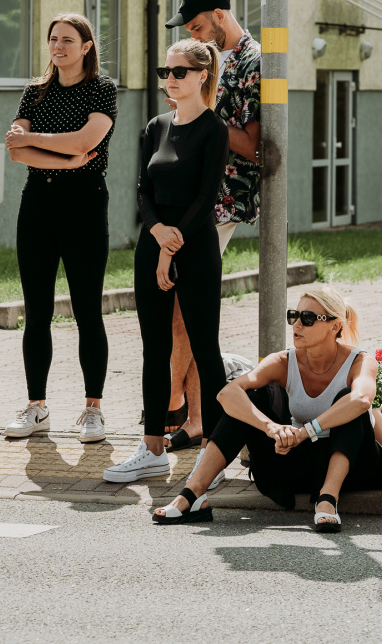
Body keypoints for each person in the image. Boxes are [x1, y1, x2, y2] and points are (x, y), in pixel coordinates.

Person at [153, 288, 382, 530]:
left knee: (349, 402)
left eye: (308, 318)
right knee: (247, 399)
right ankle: (193, 494)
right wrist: (271, 428)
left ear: (335, 326)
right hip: (300, 465)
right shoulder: (284, 360)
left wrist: (305, 432)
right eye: (294, 316)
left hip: (352, 466)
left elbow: (361, 400)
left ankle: (327, 499)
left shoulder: (359, 361)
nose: (297, 325)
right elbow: (226, 394)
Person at [103, 38, 230, 483]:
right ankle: (152, 448)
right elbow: (143, 190)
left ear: (202, 76)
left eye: (179, 72)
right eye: (165, 72)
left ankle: (214, 454)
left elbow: (206, 198)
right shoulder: (155, 126)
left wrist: (169, 247)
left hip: (195, 246)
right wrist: (156, 233)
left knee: (205, 348)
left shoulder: (214, 129)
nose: (170, 79)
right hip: (153, 242)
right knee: (154, 349)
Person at [1, 14, 115, 444]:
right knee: (37, 313)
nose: (58, 46)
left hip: (84, 205)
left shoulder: (102, 89)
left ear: (86, 46)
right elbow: (16, 151)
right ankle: (37, 407)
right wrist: (66, 157)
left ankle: (93, 410)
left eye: (68, 39)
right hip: (38, 205)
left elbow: (85, 142)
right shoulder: (35, 90)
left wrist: (40, 142)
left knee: (88, 311)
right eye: (53, 39)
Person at [160, 0, 262, 451]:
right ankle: (196, 416)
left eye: (200, 27)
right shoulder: (207, 61)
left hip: (221, 199)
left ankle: (173, 404)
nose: (196, 38)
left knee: (187, 309)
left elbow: (254, 146)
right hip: (188, 193)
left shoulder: (253, 61)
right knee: (185, 308)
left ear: (221, 15)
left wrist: (200, 114)